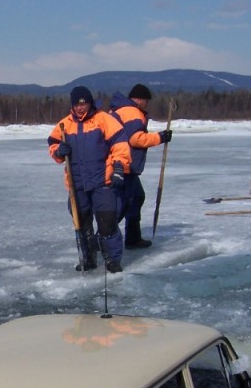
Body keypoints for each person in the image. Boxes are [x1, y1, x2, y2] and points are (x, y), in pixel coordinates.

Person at [47, 86, 131, 273]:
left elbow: (120, 144)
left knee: (107, 221)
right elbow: (52, 144)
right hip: (77, 184)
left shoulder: (104, 120)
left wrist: (118, 167)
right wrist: (59, 151)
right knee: (82, 223)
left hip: (102, 181)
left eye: (83, 104)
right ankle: (88, 258)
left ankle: (112, 259)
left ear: (90, 103)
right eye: (76, 104)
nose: (80, 108)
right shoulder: (64, 125)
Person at [109, 83, 173, 249]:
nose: (147, 104)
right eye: (146, 100)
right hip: (124, 164)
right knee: (124, 204)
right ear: (139, 99)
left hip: (120, 164)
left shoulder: (121, 109)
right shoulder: (132, 112)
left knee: (136, 198)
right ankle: (104, 237)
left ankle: (132, 237)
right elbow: (136, 138)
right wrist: (160, 137)